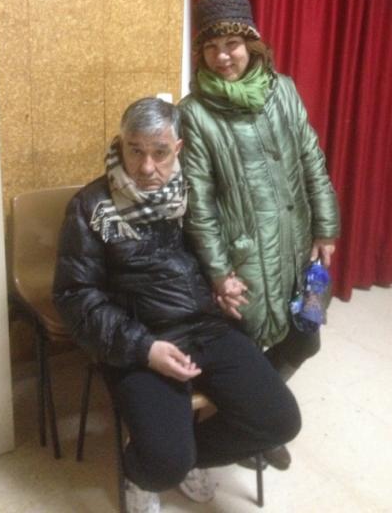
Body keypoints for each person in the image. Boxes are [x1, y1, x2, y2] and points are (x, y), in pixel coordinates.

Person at [53, 97, 301, 513]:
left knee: (280, 421)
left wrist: (223, 282)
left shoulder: (194, 193)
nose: (146, 167)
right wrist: (144, 348)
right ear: (120, 143)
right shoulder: (92, 207)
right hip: (140, 339)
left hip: (207, 326)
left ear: (178, 148)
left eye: (160, 152)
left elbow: (222, 251)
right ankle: (144, 472)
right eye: (135, 150)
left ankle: (187, 461)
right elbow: (75, 296)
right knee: (163, 462)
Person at [179, 0, 340, 470]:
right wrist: (218, 272)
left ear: (251, 44)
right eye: (211, 48)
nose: (223, 57)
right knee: (247, 348)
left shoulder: (283, 90)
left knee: (304, 337)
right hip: (241, 257)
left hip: (293, 244)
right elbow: (199, 206)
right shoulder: (194, 113)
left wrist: (326, 226)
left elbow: (311, 159)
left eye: (232, 44)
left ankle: (256, 417)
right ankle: (252, 425)